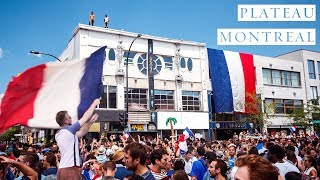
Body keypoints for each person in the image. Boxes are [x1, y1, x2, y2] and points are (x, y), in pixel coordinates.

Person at [55, 99, 100, 180]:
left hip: (61, 170)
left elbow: (82, 132)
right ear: (65, 121)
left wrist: (90, 122)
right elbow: (86, 116)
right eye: (69, 117)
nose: (71, 118)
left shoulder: (59, 133)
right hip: (71, 169)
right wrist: (94, 103)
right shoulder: (70, 130)